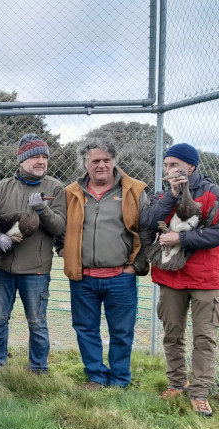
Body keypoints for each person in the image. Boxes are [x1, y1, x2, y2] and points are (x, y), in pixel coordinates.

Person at [141, 143, 219, 417]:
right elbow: (148, 222)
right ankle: (177, 383)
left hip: (206, 277)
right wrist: (172, 195)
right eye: (166, 165)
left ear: (190, 167)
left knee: (204, 337)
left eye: (174, 165)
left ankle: (200, 392)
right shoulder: (161, 195)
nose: (168, 169)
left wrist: (181, 238)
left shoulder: (212, 193)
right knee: (172, 334)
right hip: (170, 277)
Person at [61, 137, 150, 389]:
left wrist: (135, 265)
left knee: (121, 332)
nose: (101, 165)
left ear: (114, 162)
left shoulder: (134, 190)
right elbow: (59, 229)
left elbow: (147, 231)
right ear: (86, 163)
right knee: (85, 329)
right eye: (95, 160)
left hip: (121, 277)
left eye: (106, 160)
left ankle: (120, 378)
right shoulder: (71, 193)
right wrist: (64, 252)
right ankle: (96, 376)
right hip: (83, 278)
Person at [0, 134, 66, 373]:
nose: (41, 161)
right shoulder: (3, 187)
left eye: (44, 157)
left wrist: (42, 209)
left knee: (37, 323)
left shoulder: (55, 187)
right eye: (35, 157)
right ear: (21, 160)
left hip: (36, 269)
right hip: (3, 268)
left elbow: (59, 227)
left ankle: (39, 369)